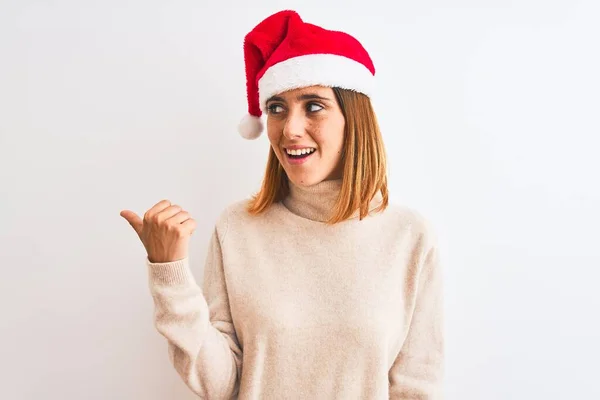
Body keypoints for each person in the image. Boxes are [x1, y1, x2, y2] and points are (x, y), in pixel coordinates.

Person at [120, 9, 444, 399]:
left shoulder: (408, 236)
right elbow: (219, 384)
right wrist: (169, 273)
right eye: (276, 108)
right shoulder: (238, 227)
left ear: (352, 117)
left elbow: (417, 388)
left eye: (313, 105)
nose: (289, 129)